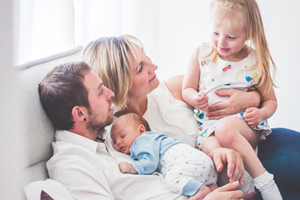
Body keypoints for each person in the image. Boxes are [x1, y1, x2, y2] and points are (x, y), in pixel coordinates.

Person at [38, 61, 248, 200]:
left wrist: (216, 155)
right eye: (101, 91)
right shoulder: (72, 163)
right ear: (80, 114)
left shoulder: (109, 130)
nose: (111, 93)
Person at [181, 1, 281, 200]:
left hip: (243, 124)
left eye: (231, 37)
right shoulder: (201, 55)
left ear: (249, 34)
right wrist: (195, 98)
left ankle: (265, 181)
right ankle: (244, 193)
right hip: (208, 128)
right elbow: (186, 89)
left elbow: (271, 101)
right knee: (220, 160)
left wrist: (261, 113)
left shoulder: (255, 61)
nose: (221, 43)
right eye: (216, 33)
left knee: (225, 130)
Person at [111, 112, 218, 200]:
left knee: (171, 180)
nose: (118, 142)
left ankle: (200, 189)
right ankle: (211, 187)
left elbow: (150, 162)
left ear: (141, 130)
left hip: (189, 161)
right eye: (115, 142)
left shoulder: (142, 140)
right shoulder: (155, 139)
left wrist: (132, 167)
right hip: (204, 164)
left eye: (123, 136)